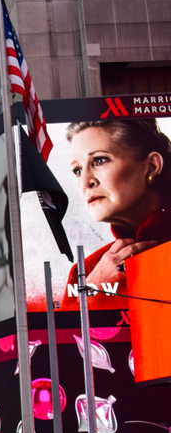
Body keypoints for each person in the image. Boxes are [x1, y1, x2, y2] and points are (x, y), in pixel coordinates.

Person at [61, 119, 171, 310]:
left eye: (100, 160)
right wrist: (91, 297)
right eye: (78, 170)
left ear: (152, 165)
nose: (85, 182)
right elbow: (64, 339)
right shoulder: (86, 271)